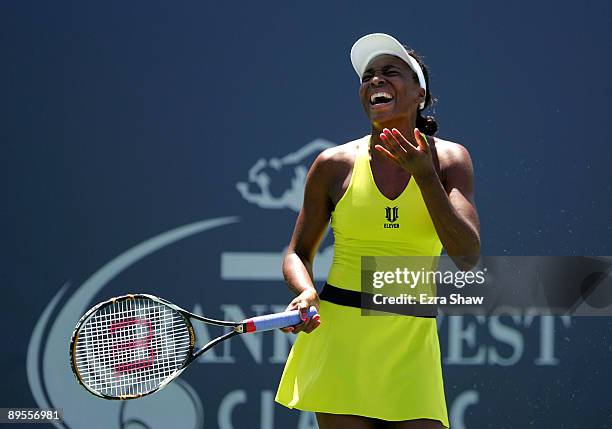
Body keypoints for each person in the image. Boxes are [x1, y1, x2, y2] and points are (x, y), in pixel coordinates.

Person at [275, 33, 481, 429]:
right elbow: (297, 253)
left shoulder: (451, 160)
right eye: (368, 75)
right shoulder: (333, 164)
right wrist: (304, 290)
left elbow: (467, 254)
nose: (375, 81)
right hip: (341, 342)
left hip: (411, 344)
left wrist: (425, 178)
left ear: (420, 93)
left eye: (390, 72)